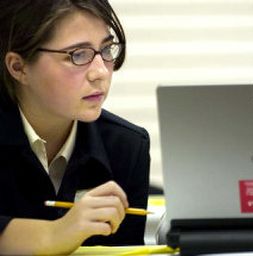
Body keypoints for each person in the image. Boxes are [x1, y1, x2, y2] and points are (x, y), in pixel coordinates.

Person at [0, 0, 150, 255]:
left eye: (106, 50)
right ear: (18, 67)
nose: (100, 72)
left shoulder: (127, 146)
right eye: (77, 55)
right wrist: (54, 234)